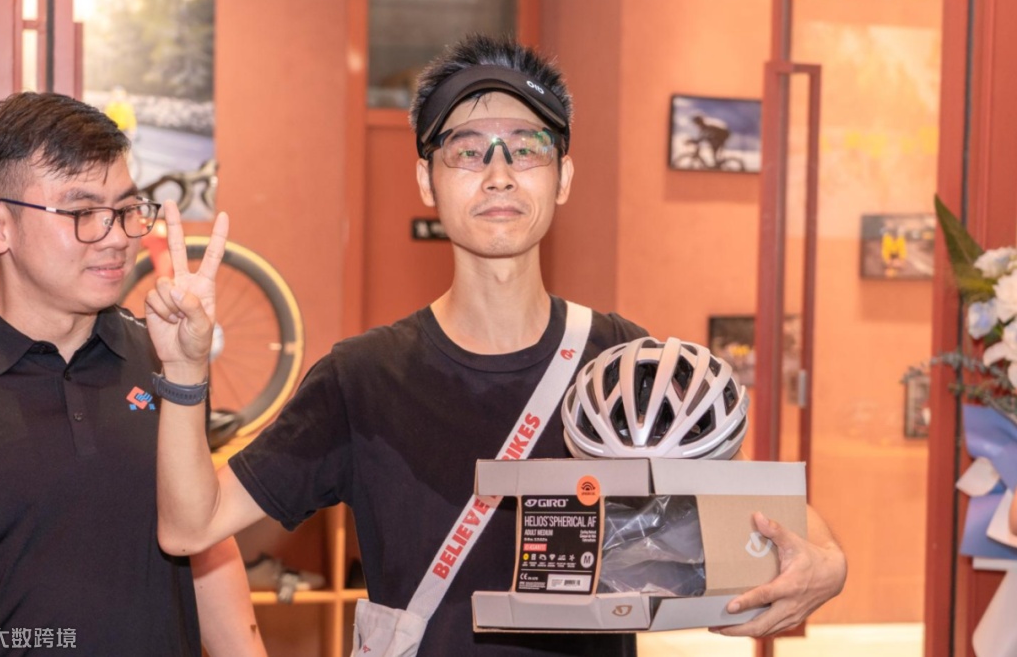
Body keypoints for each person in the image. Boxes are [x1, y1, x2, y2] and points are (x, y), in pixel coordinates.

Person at [151, 35, 847, 655]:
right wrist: (184, 368)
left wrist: (828, 561)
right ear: (426, 180)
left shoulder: (623, 366)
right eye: (467, 150)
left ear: (563, 177)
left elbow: (757, 505)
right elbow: (191, 527)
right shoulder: (361, 379)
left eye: (527, 147)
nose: (499, 173)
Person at [0, 91, 265, 656]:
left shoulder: (167, 359)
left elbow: (203, 542)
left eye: (126, 210)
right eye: (82, 212)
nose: (116, 236)